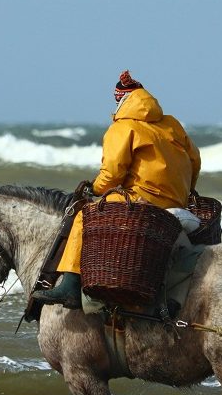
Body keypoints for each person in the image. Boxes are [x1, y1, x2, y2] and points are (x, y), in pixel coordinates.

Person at [32, 70, 201, 309]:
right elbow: (195, 160)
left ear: (123, 100)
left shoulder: (123, 128)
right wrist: (185, 191)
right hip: (177, 202)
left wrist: (96, 188)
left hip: (141, 199)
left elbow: (112, 173)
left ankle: (70, 285)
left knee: (84, 216)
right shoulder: (172, 124)